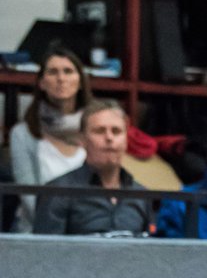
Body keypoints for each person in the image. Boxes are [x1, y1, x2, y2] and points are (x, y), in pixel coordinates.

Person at [34, 100, 151, 236]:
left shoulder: (141, 194)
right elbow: (44, 253)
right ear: (82, 139)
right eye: (99, 131)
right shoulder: (57, 192)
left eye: (116, 131)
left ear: (126, 140)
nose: (109, 138)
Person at [8, 46, 91, 233]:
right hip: (39, 232)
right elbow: (28, 197)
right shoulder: (23, 134)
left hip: (89, 230)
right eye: (53, 72)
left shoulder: (95, 129)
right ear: (41, 83)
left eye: (68, 71)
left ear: (80, 82)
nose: (61, 79)